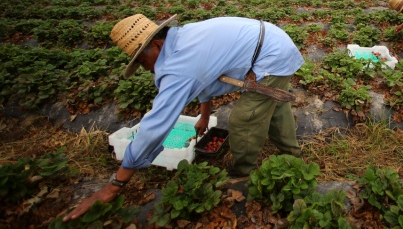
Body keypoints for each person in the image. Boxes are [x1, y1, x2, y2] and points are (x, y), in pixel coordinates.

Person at [63, 14, 304, 222]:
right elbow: (206, 76)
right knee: (274, 104)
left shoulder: (179, 63)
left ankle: (242, 173)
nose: (147, 68)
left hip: (271, 55)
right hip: (273, 40)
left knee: (244, 120)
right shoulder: (182, 39)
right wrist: (204, 115)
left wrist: (115, 185)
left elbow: (156, 126)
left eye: (143, 61)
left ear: (157, 44)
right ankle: (291, 153)